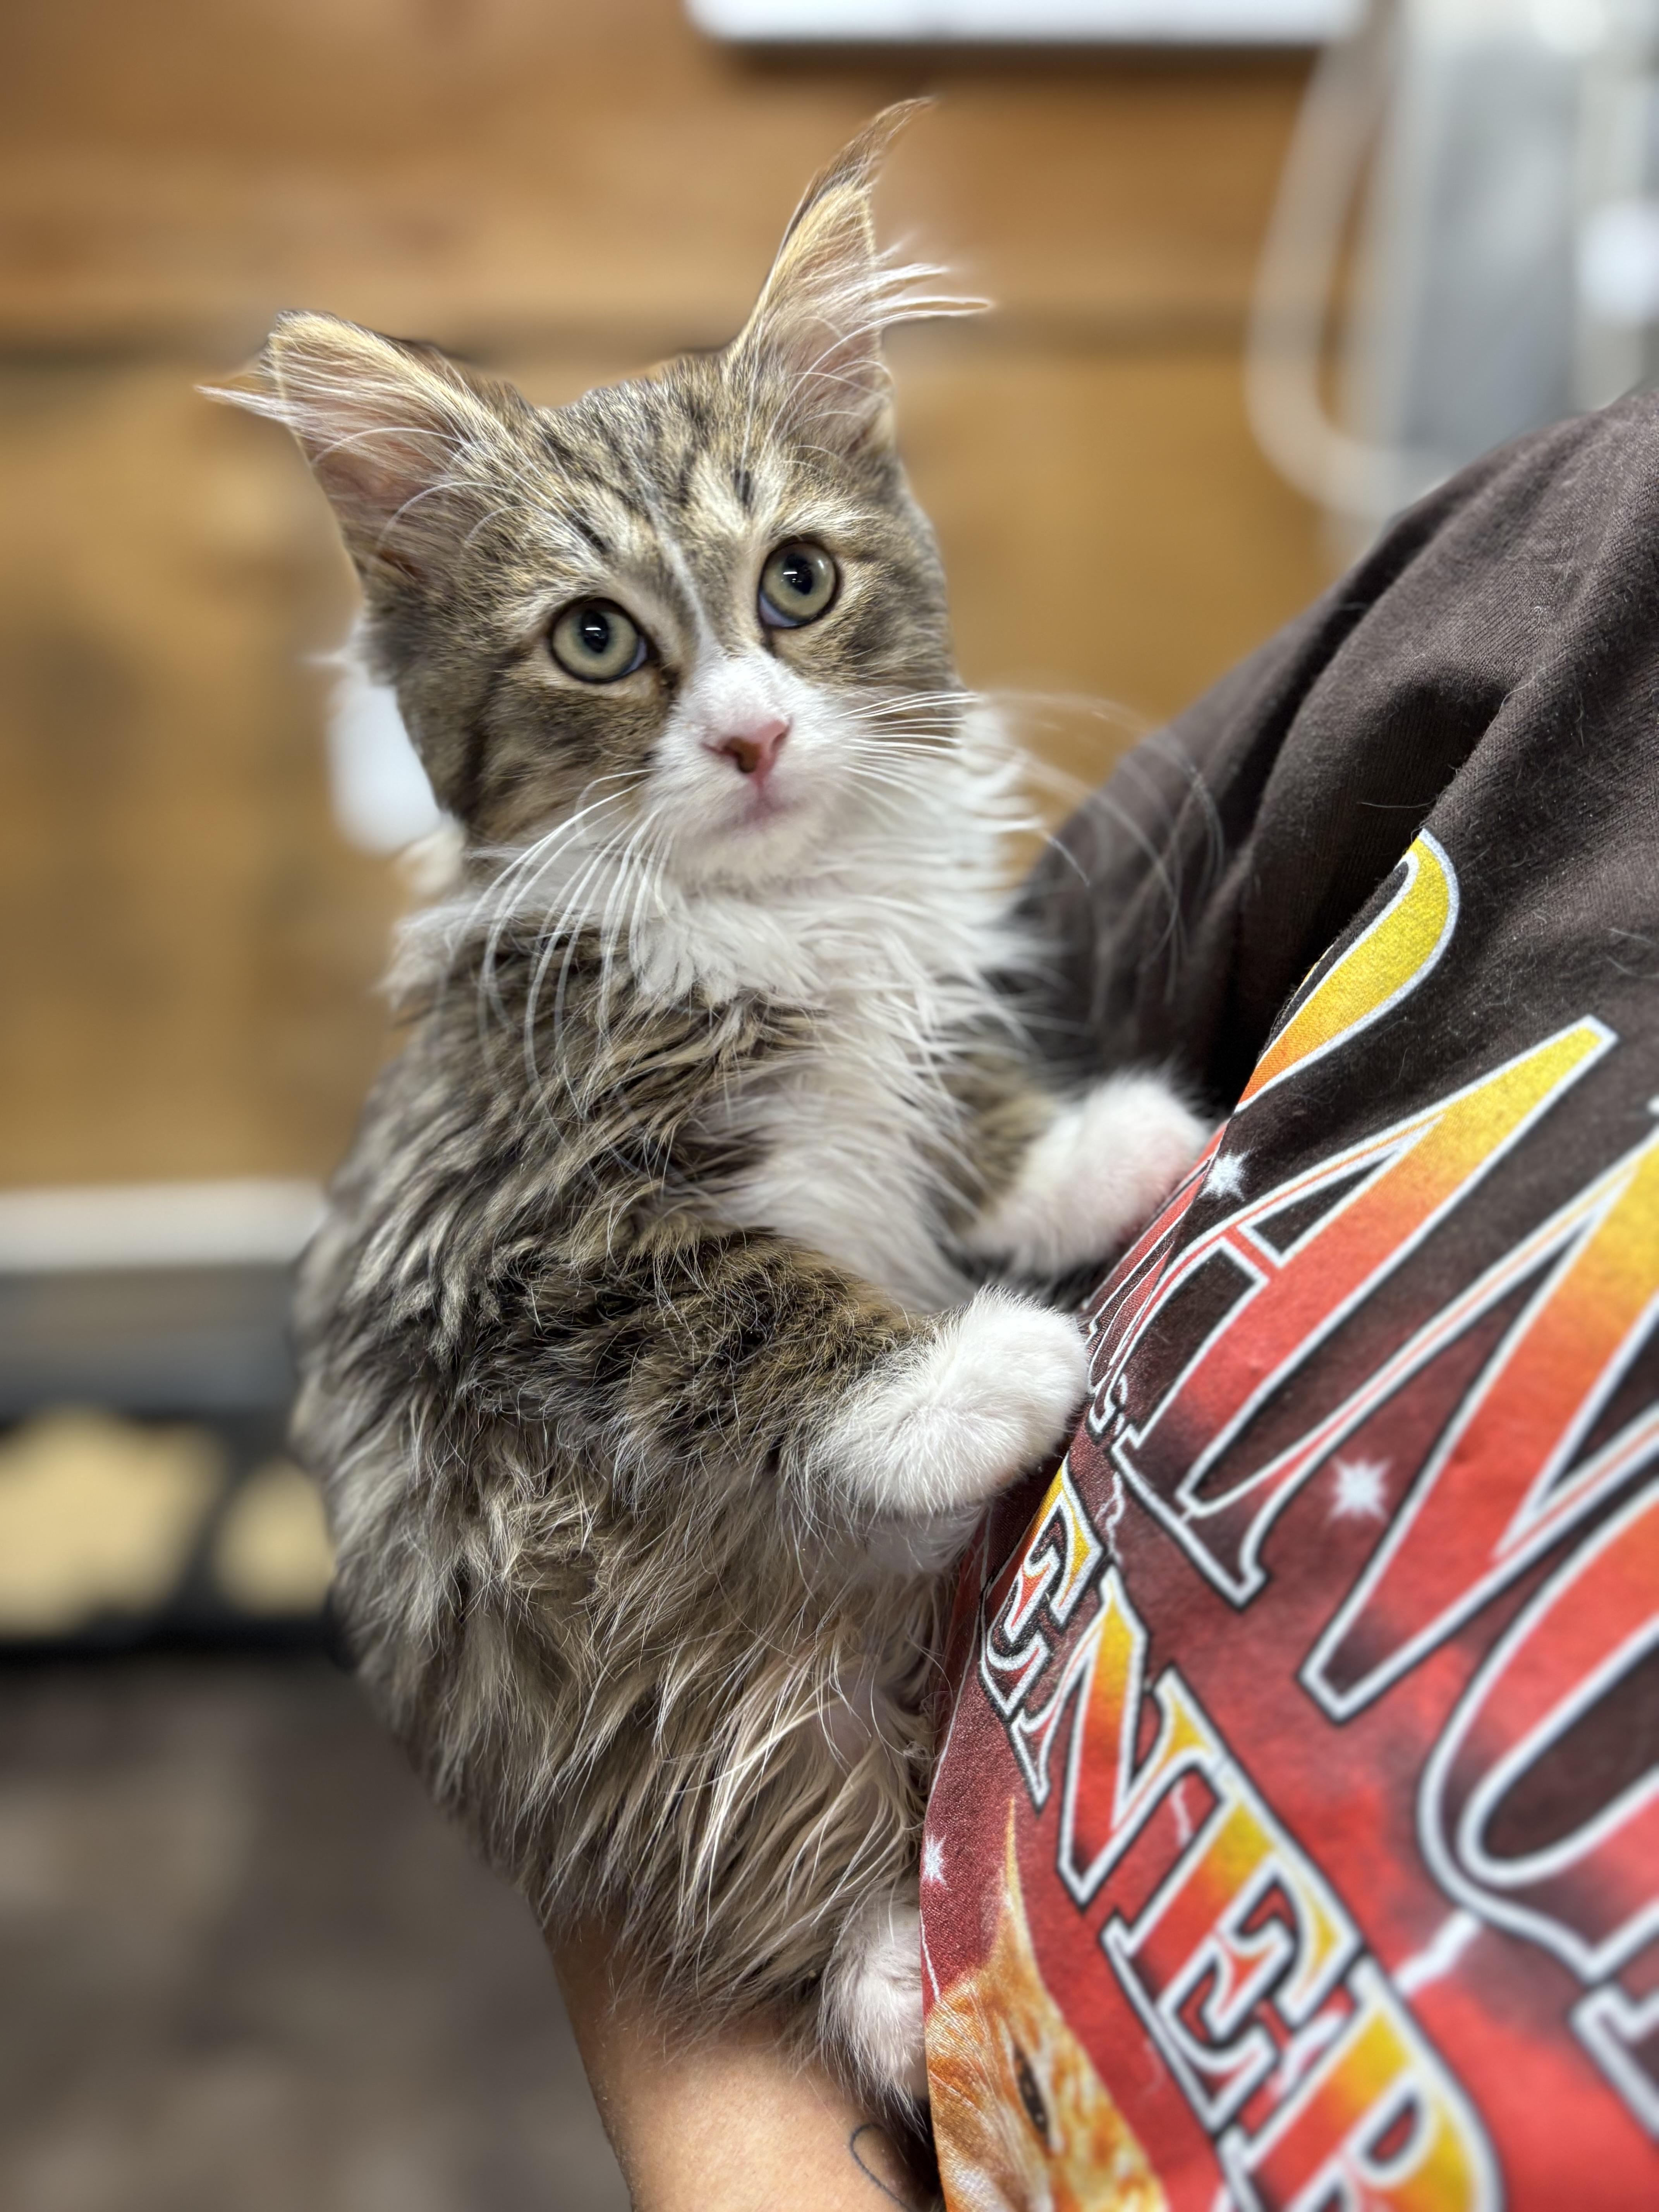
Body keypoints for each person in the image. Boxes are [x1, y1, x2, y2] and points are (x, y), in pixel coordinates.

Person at [555, 397, 1659, 2209]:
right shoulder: (1580, 571)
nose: (746, 705)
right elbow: (556, 1395)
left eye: (794, 588)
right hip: (760, 1881)